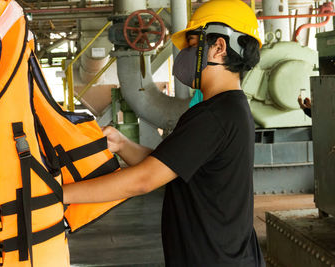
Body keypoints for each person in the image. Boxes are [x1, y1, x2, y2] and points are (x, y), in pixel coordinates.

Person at [63, 0, 265, 266]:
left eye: (193, 45)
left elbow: (144, 180)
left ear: (219, 47)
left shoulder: (213, 116)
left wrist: (58, 194)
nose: (185, 54)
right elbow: (171, 168)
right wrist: (122, 144)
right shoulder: (229, 109)